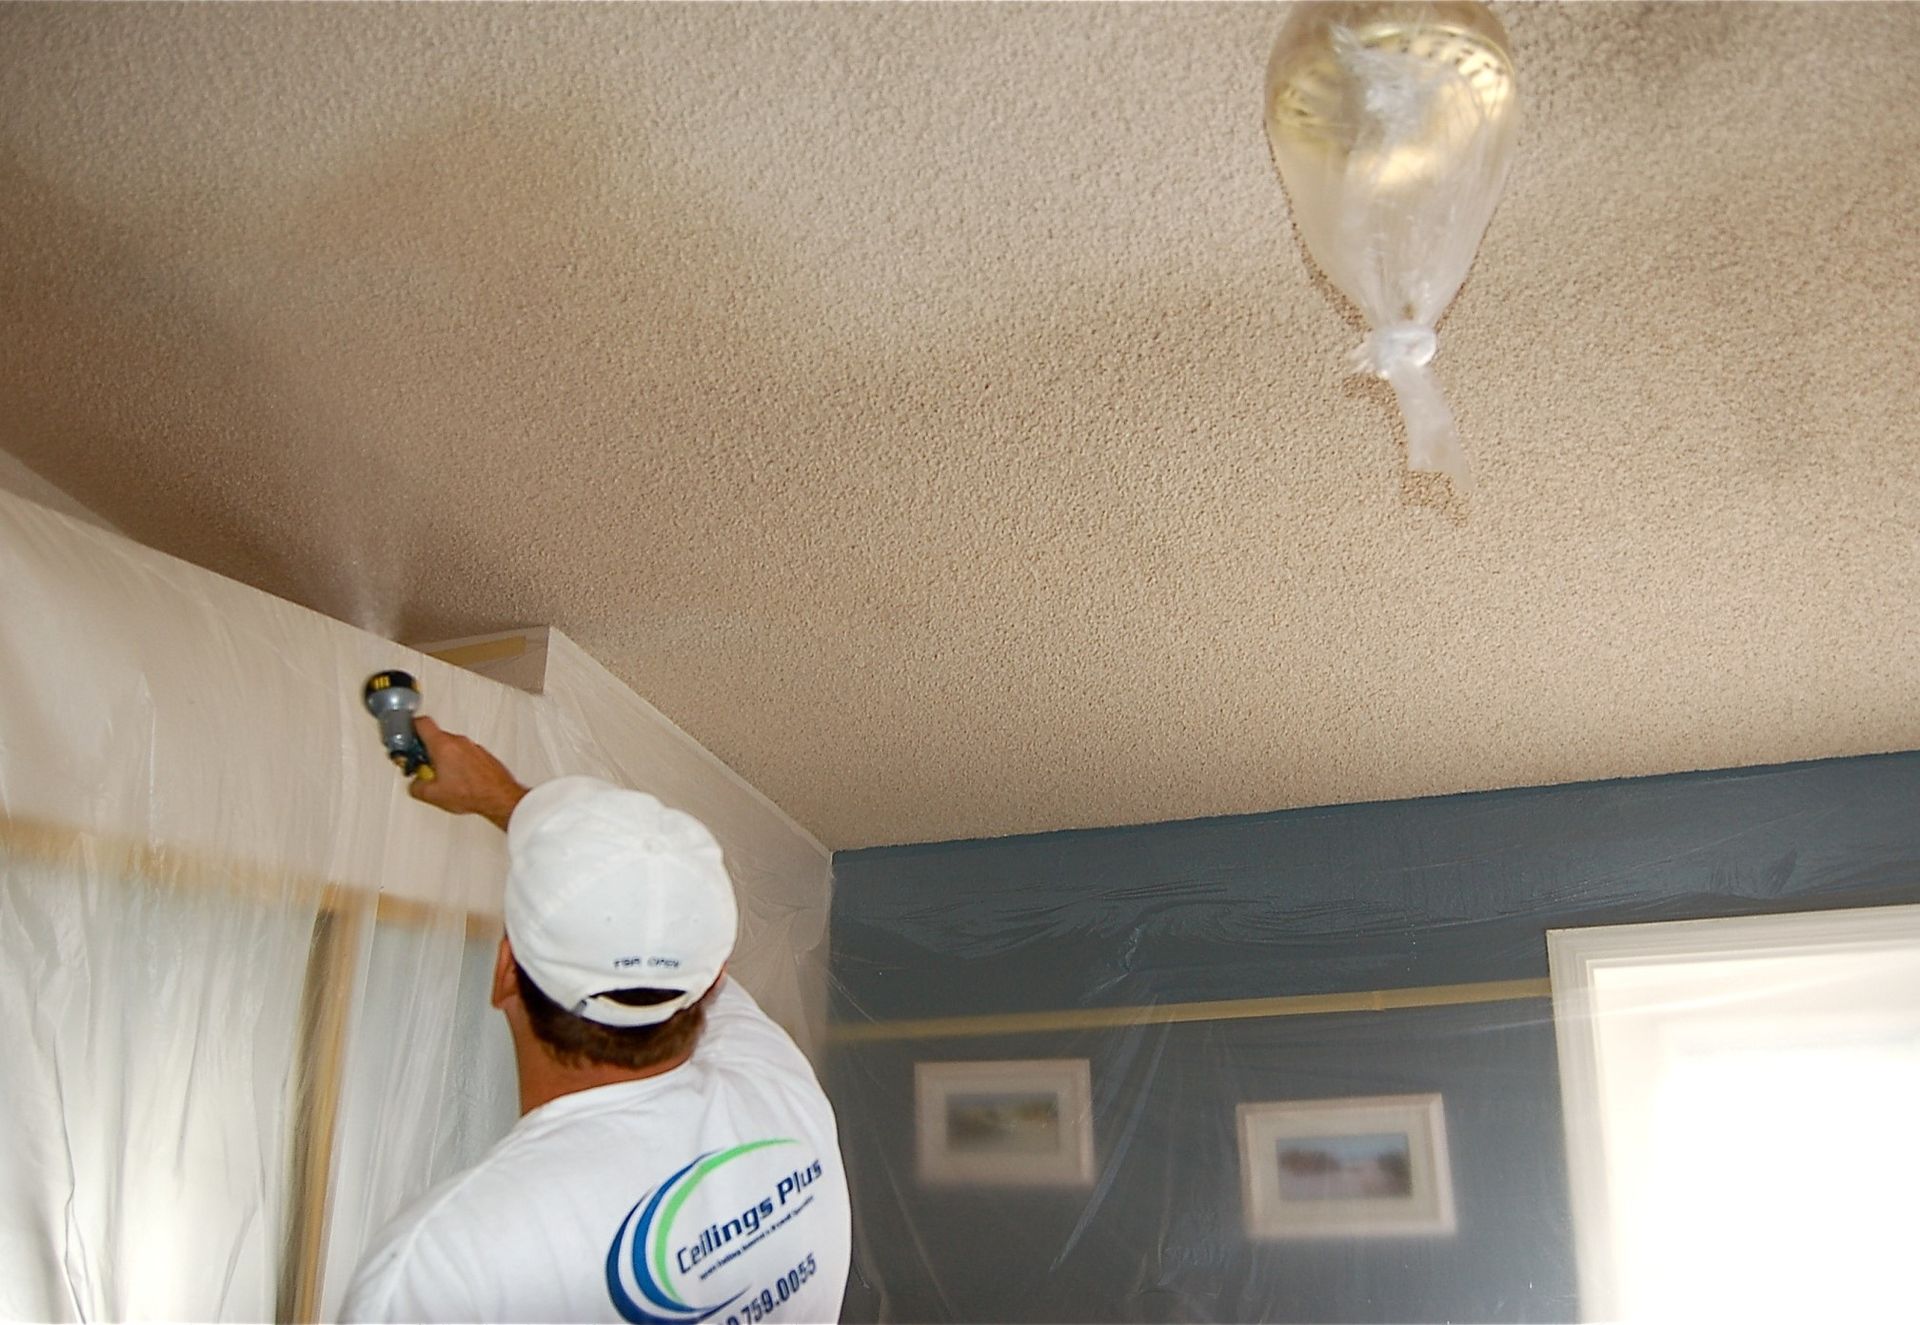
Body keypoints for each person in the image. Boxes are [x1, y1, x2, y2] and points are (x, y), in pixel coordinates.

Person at [341, 718, 851, 1324]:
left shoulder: (442, 1265)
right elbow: (653, 922)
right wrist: (501, 798)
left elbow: (643, 924)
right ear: (710, 981)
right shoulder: (782, 1096)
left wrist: (500, 797)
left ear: (505, 971)